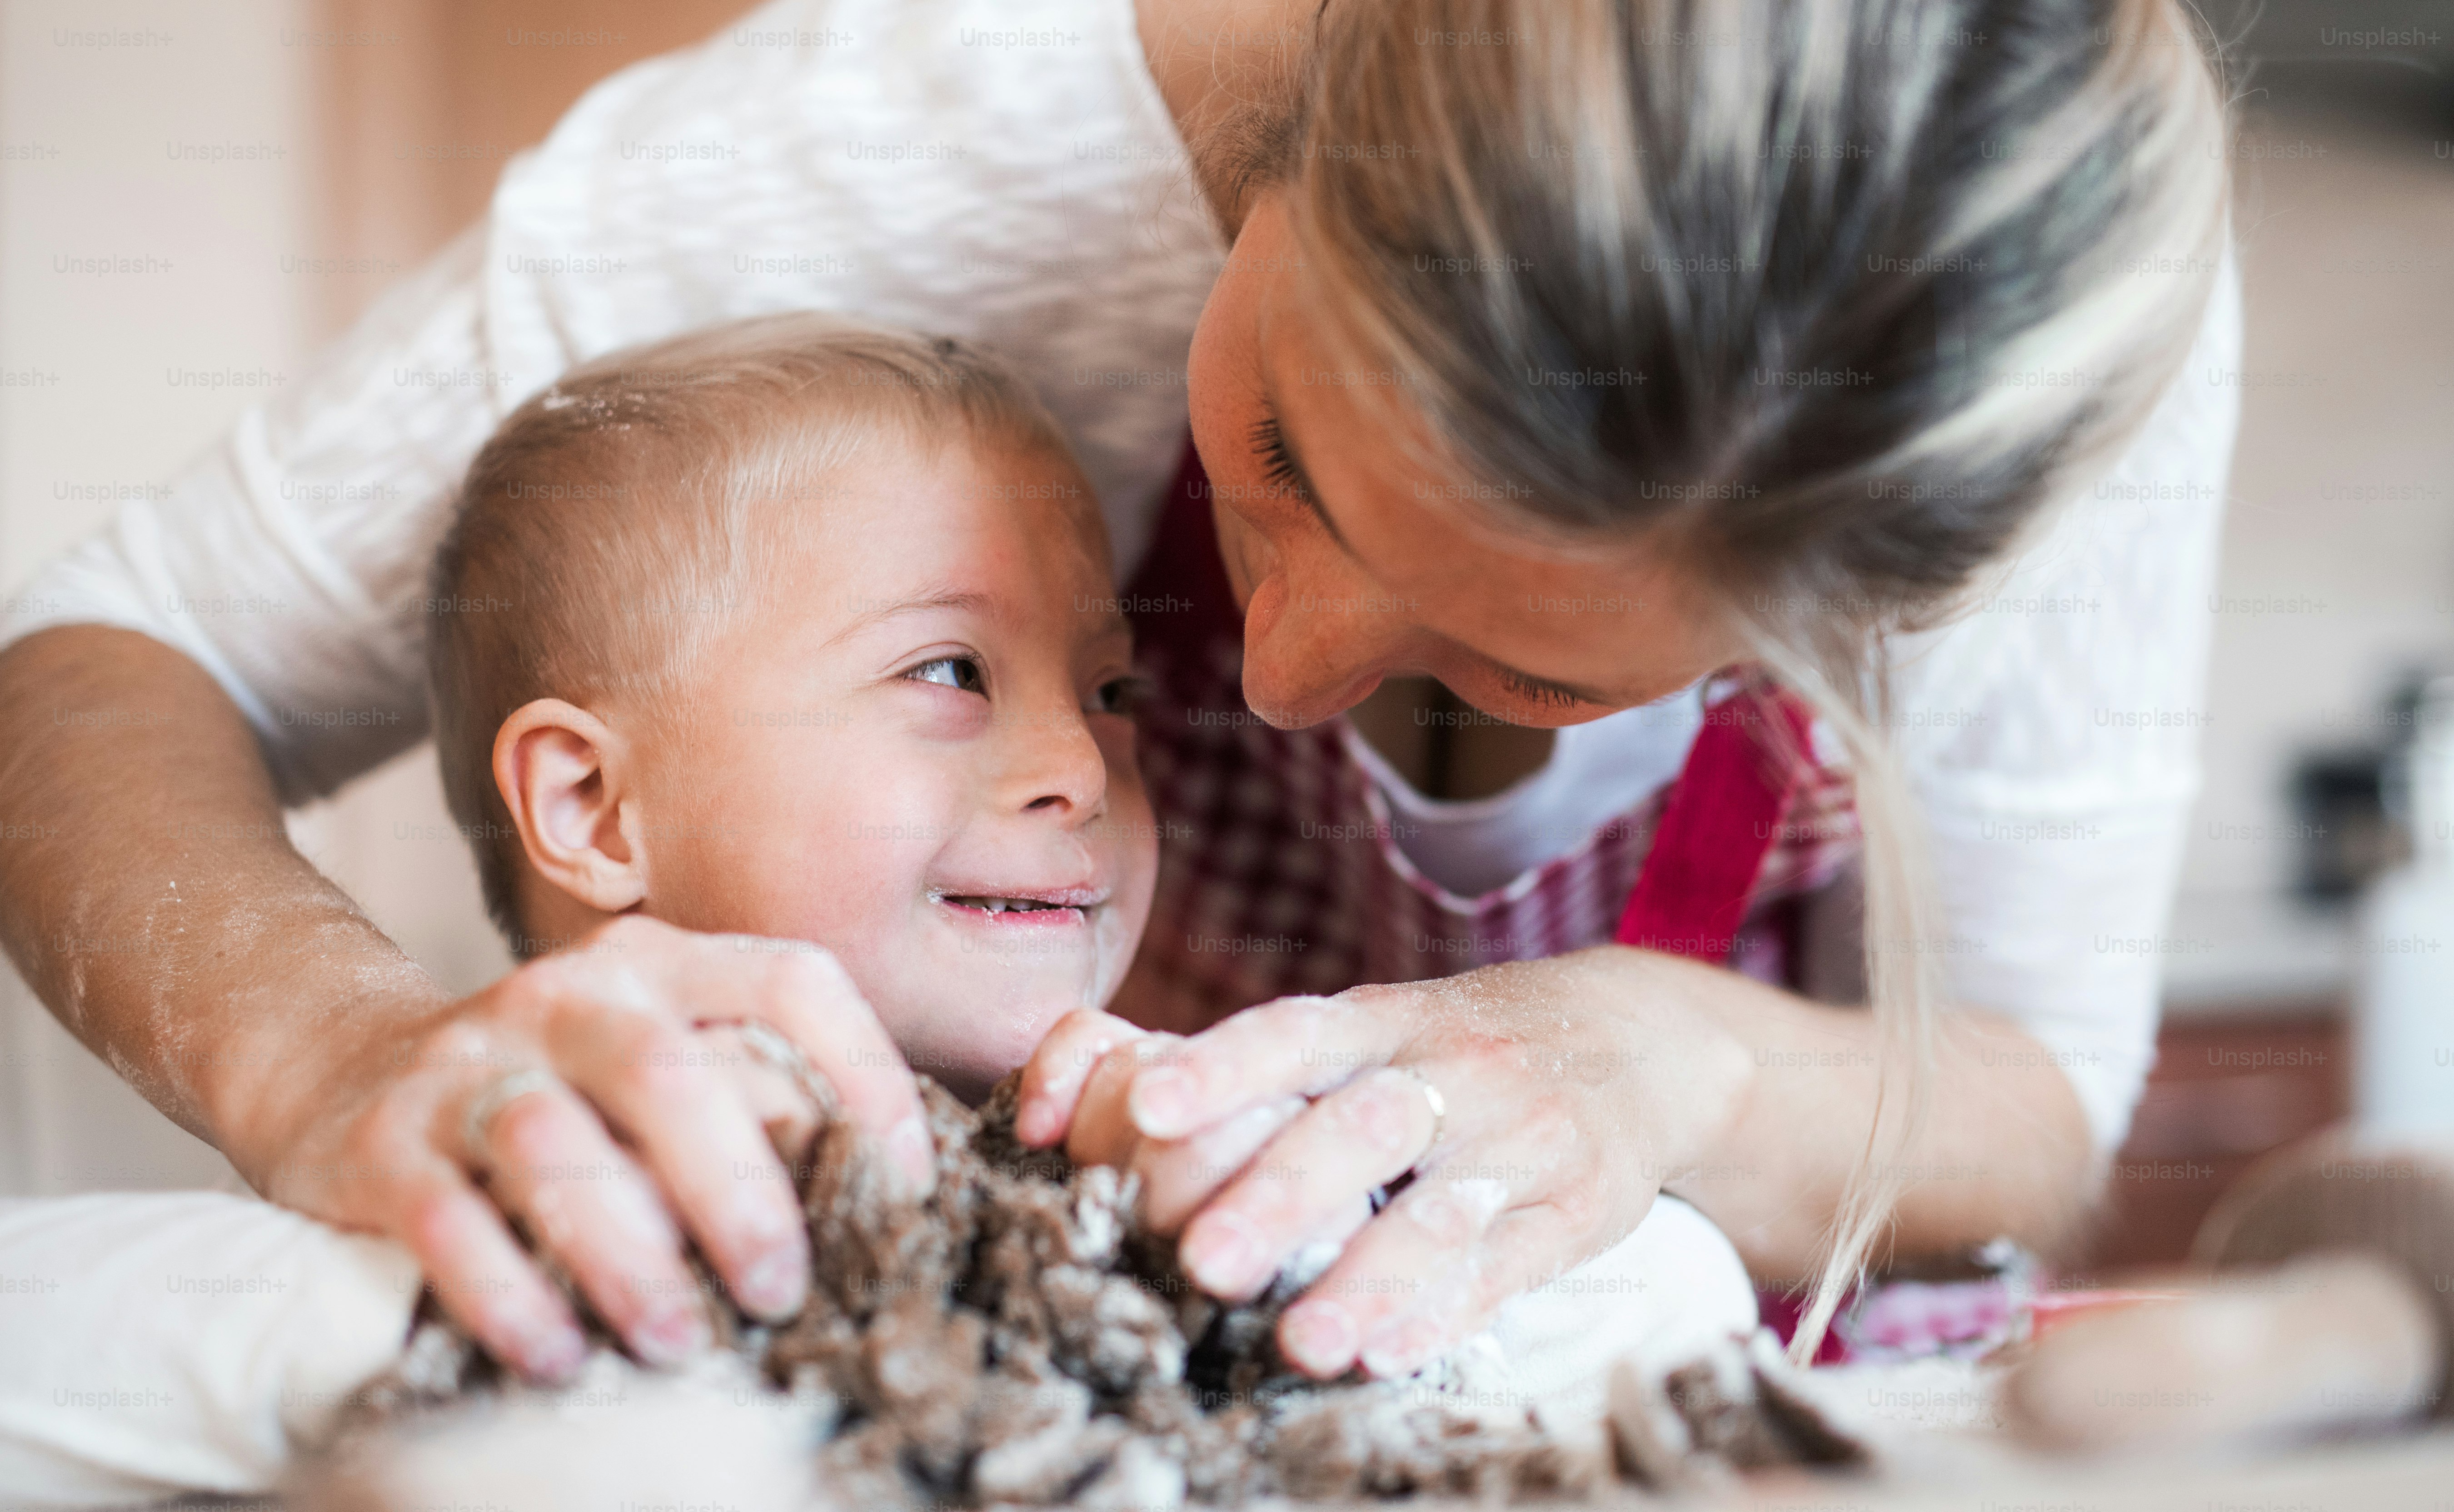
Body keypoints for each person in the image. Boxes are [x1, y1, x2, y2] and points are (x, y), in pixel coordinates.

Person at [0, 0, 2237, 1385]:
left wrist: (1658, 1062)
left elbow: (2032, 1090)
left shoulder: (2013, 367)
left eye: (1524, 667)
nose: (1268, 678)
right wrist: (335, 1053)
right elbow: (105, 661)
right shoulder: (923, 137)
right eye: (1283, 456)